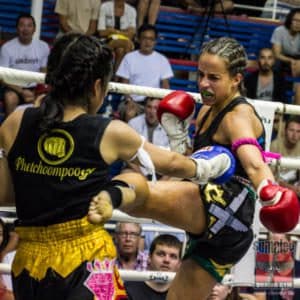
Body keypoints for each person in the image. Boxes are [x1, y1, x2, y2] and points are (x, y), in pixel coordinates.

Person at [0, 33, 234, 300]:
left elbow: (5, 193)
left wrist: (46, 180)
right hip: (85, 261)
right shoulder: (109, 132)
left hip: (29, 264)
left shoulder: (15, 121)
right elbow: (171, 163)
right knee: (133, 180)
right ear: (98, 87)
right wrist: (213, 162)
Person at [88, 37, 300, 300]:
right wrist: (179, 141)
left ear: (236, 79)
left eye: (213, 77)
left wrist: (270, 191)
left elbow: (253, 161)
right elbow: (194, 164)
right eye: (200, 75)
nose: (203, 84)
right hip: (219, 225)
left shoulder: (238, 115)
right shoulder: (205, 112)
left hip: (223, 212)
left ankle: (99, 197)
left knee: (138, 192)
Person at [0, 13, 50, 117]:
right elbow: (3, 77)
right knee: (10, 98)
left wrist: (37, 92)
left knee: (46, 100)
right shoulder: (7, 48)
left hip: (35, 87)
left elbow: (44, 71)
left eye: (29, 25)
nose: (26, 29)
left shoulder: (43, 46)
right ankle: (10, 130)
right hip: (14, 87)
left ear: (34, 29)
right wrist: (22, 91)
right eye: (22, 25)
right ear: (17, 28)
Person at [116, 24, 173, 104]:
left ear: (155, 41)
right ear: (138, 39)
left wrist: (160, 103)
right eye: (144, 38)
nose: (147, 42)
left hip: (153, 104)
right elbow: (124, 84)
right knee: (130, 113)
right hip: (132, 101)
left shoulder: (162, 60)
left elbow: (165, 86)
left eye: (151, 39)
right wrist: (129, 101)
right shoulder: (129, 58)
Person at [125, 234, 182, 300]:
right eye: (161, 254)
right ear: (149, 257)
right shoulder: (129, 289)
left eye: (173, 256)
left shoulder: (184, 293)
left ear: (179, 263)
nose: (166, 260)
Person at [270, 8, 300, 105]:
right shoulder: (279, 31)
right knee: (276, 65)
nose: (297, 23)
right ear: (290, 20)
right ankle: (277, 100)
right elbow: (276, 54)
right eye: (295, 20)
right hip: (281, 59)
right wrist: (291, 61)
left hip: (297, 59)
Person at [97, 0, 137, 72]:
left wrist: (112, 31)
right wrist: (124, 32)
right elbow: (101, 32)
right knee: (126, 45)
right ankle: (120, 77)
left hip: (125, 41)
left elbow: (131, 34)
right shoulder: (105, 7)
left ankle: (113, 76)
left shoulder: (132, 10)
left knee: (120, 50)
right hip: (107, 40)